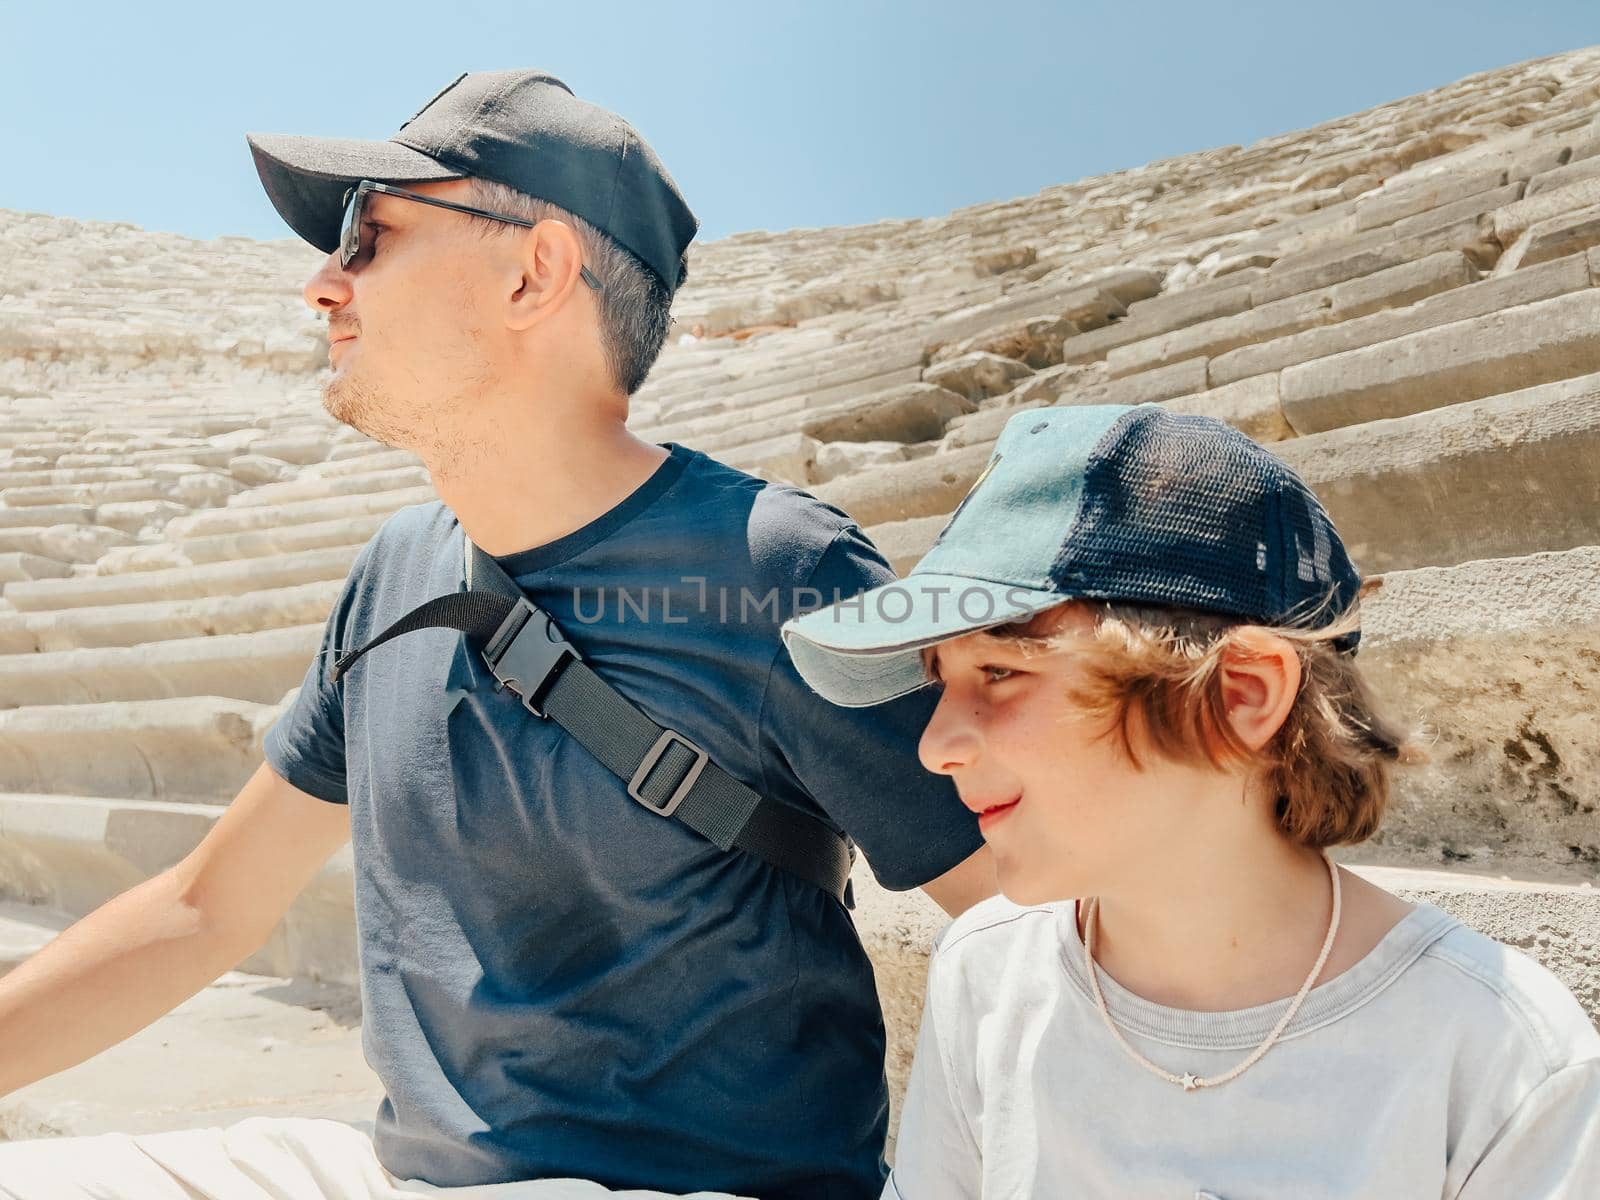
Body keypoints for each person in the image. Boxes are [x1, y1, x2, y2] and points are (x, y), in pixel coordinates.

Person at [0, 70, 996, 1199]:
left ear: (534, 272)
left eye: (367, 238)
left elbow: (1018, 927)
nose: (322, 287)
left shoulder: (779, 570)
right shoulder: (396, 572)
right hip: (403, 1176)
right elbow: (204, 907)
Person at [779, 404, 1600, 1198]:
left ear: (1241, 693)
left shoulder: (1499, 1054)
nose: (934, 745)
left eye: (1001, 672)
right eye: (939, 682)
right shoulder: (989, 972)